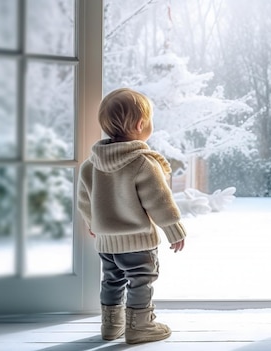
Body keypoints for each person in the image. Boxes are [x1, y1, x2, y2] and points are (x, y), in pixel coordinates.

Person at [77, 88, 186, 344]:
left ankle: (111, 325)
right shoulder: (142, 163)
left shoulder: (90, 164)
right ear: (140, 124)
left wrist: (92, 224)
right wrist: (174, 229)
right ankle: (140, 327)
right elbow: (160, 201)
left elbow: (84, 200)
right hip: (138, 242)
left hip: (106, 243)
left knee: (111, 280)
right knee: (140, 281)